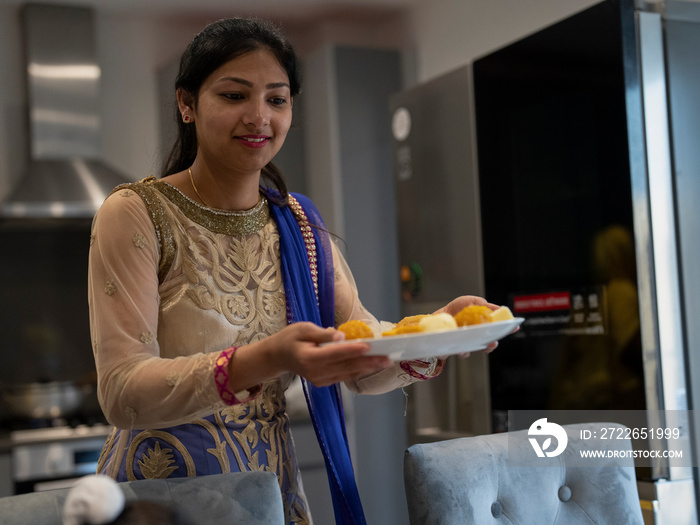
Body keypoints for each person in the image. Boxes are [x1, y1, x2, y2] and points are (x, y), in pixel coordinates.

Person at [88, 17, 498, 525]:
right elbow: (121, 392)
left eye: (277, 99)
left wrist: (440, 332)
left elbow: (361, 359)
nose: (258, 117)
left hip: (271, 490)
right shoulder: (137, 213)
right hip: (164, 497)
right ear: (186, 104)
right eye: (235, 96)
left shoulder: (297, 222)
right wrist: (261, 359)